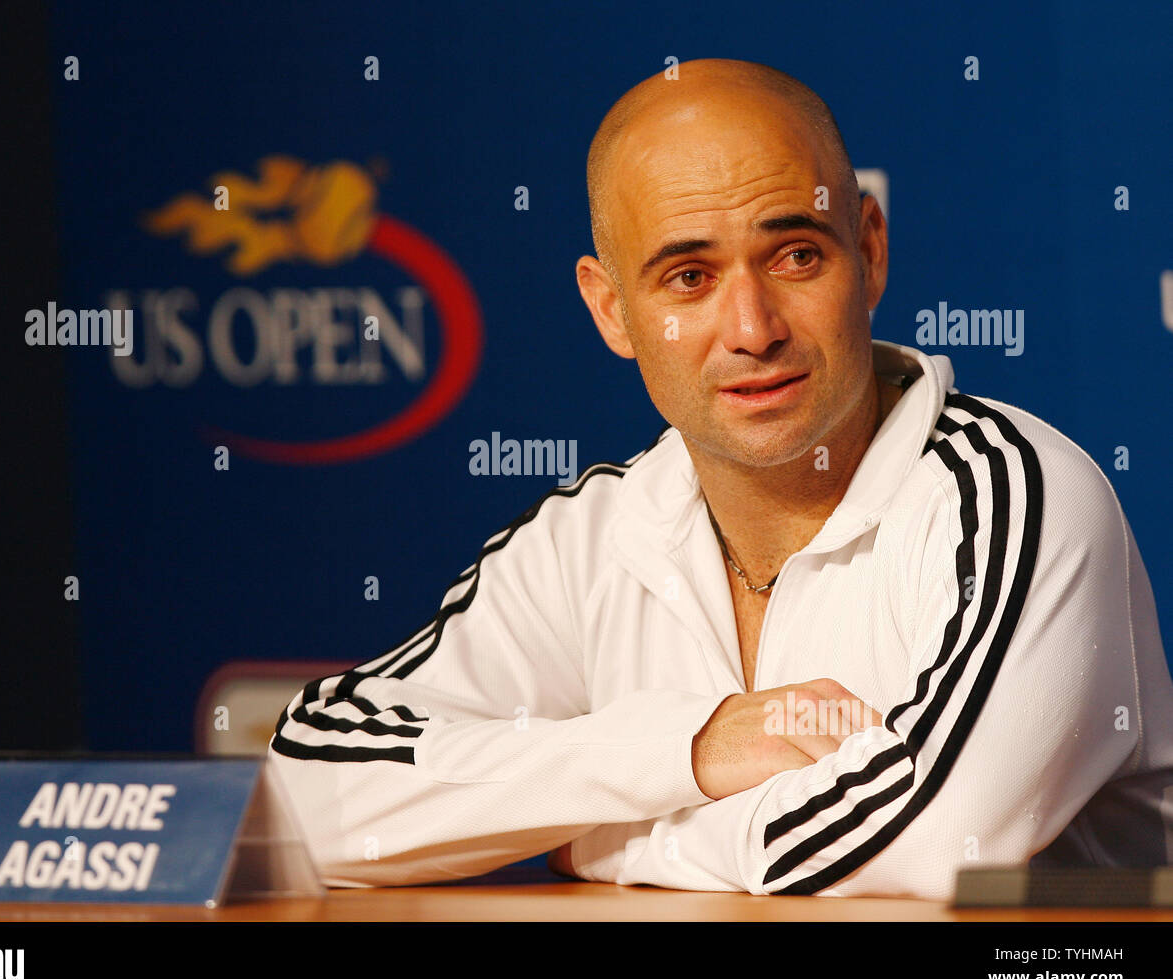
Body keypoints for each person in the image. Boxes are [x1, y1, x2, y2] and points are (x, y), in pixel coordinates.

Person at [267, 59, 1173, 899]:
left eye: (795, 256)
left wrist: (615, 841)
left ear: (871, 251)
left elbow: (943, 843)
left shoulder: (1015, 494)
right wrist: (692, 748)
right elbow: (305, 793)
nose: (751, 327)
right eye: (689, 277)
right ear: (612, 309)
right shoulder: (592, 534)